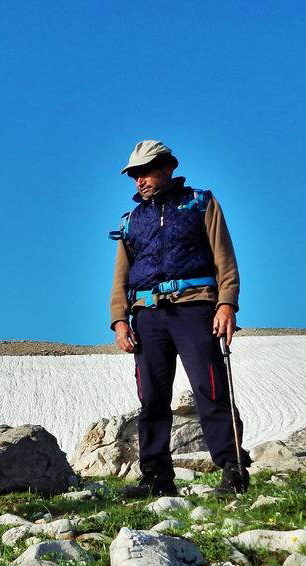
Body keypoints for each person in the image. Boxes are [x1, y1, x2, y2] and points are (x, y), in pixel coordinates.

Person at [108, 139, 251, 497]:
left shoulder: (200, 202)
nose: (140, 180)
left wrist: (226, 304)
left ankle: (232, 469)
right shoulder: (130, 221)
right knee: (152, 397)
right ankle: (156, 478)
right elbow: (120, 277)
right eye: (134, 175)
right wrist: (119, 320)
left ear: (168, 167)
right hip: (147, 315)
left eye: (146, 171)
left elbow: (225, 259)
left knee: (210, 388)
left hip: (196, 307)